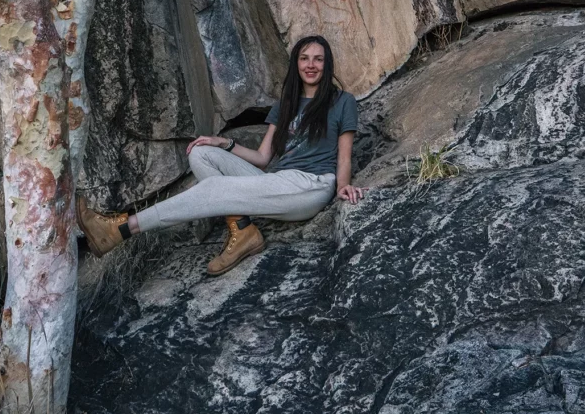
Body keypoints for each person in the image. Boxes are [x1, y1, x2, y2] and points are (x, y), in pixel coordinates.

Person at [76, 35, 368, 276]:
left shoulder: (342, 102)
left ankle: (121, 228)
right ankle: (243, 231)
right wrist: (223, 142)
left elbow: (344, 156)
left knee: (214, 188)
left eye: (318, 59)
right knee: (202, 153)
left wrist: (343, 186)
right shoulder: (286, 104)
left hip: (309, 186)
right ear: (296, 64)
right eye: (305, 58)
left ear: (327, 64)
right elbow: (263, 158)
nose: (311, 65)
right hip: (278, 181)